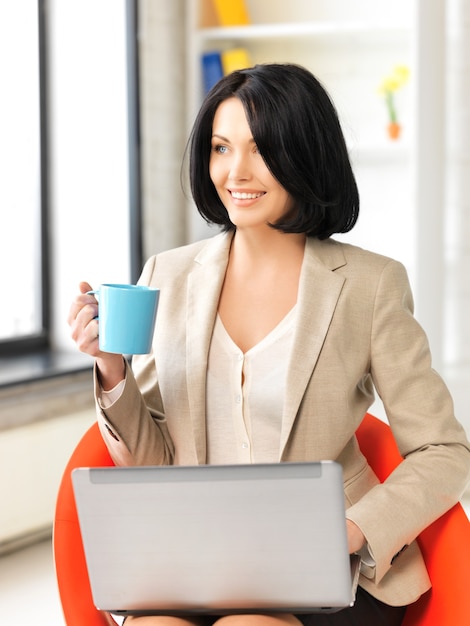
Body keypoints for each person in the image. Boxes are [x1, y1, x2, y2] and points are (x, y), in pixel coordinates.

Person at [68, 63, 470, 626]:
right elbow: (155, 462)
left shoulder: (371, 285)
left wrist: (350, 532)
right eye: (220, 147)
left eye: (260, 150)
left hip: (329, 568)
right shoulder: (168, 275)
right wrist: (113, 370)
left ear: (305, 154)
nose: (235, 172)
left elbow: (444, 451)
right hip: (196, 561)